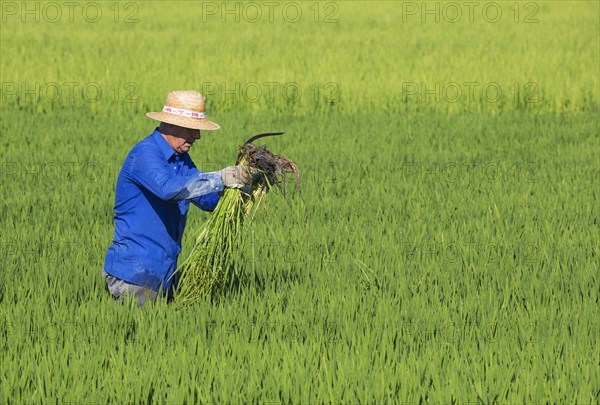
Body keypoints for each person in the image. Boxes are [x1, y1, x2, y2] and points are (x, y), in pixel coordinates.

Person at [102, 90, 251, 306]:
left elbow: (206, 199)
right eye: (193, 129)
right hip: (134, 275)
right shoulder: (145, 154)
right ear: (171, 124)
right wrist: (220, 177)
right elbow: (168, 189)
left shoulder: (180, 160)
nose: (197, 136)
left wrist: (241, 191)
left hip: (164, 274)